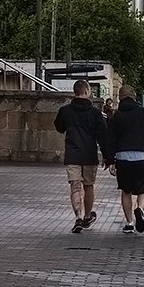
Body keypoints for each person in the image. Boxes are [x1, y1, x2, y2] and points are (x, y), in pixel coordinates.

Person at [103, 83, 144, 234]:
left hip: (123, 158)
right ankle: (140, 209)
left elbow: (110, 140)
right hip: (143, 157)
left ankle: (130, 222)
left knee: (126, 191)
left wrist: (110, 160)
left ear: (120, 97)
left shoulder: (116, 116)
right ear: (134, 96)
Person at [54, 80, 108, 234]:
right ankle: (87, 216)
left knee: (75, 185)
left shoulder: (65, 110)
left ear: (75, 91)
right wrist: (107, 155)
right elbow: (103, 135)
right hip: (89, 154)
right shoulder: (95, 112)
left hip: (73, 153)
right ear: (86, 91)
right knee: (89, 185)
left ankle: (77, 216)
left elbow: (59, 127)